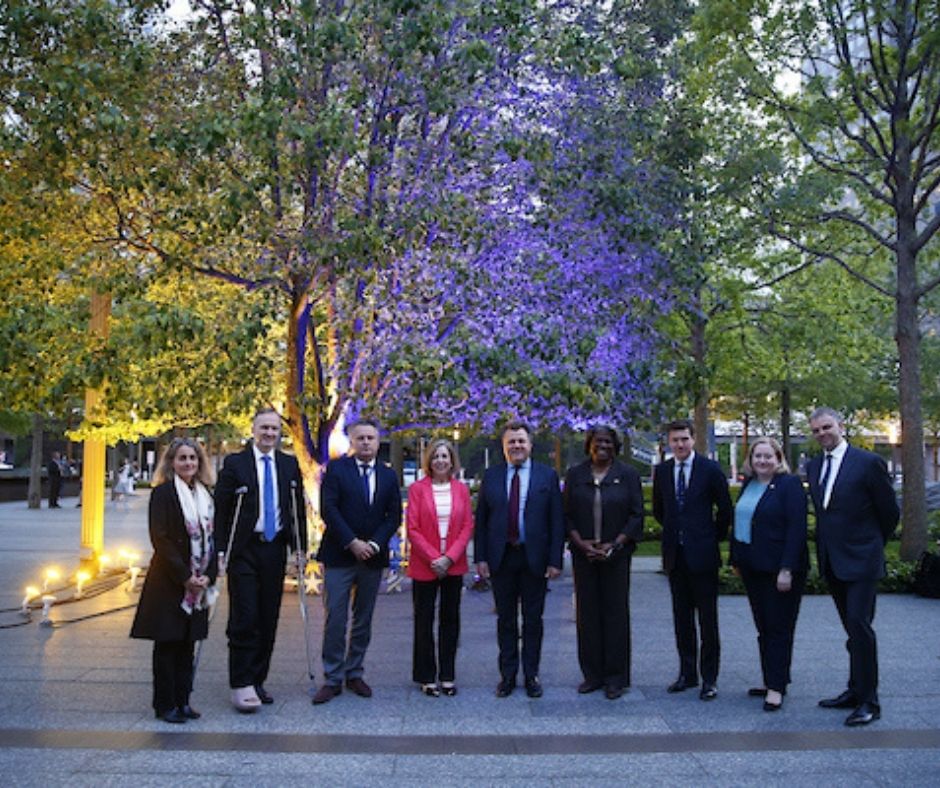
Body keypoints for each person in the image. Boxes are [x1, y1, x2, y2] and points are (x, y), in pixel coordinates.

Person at [807, 407, 899, 727]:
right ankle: (854, 689)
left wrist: (871, 544)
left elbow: (889, 513)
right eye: (816, 430)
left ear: (841, 426)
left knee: (860, 628)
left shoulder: (868, 463)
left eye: (827, 427)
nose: (822, 434)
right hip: (833, 560)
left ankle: (870, 702)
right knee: (851, 631)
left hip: (862, 560)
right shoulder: (814, 465)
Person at [214, 408, 307, 712]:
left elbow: (297, 510)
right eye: (264, 428)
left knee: (269, 616)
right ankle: (240, 682)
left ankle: (257, 679)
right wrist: (220, 549)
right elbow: (222, 510)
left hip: (274, 548)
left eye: (274, 429)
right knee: (245, 615)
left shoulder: (289, 464)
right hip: (244, 549)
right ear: (253, 430)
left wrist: (301, 548)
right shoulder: (235, 463)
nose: (269, 433)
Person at [313, 418, 403, 704]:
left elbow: (393, 516)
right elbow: (329, 509)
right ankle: (332, 677)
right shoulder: (337, 470)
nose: (366, 442)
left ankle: (355, 672)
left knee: (363, 619)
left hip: (372, 559)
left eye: (371, 438)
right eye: (360, 438)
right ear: (351, 440)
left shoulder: (388, 475)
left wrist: (374, 544)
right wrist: (352, 542)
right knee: (336, 617)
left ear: (378, 442)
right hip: (340, 554)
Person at [130, 438, 217, 724]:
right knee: (167, 645)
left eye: (193, 458)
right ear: (171, 463)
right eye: (182, 458)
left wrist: (208, 575)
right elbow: (160, 538)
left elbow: (212, 539)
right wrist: (185, 577)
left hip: (198, 583)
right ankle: (164, 704)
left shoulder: (206, 494)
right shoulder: (163, 494)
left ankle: (183, 700)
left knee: (187, 646)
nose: (188, 463)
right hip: (170, 581)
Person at [475, 420, 564, 698]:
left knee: (533, 620)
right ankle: (508, 675)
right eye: (511, 442)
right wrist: (480, 558)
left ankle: (532, 675)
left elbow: (556, 521)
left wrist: (555, 560)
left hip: (534, 559)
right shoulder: (491, 476)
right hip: (502, 559)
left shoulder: (546, 476)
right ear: (503, 446)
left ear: (530, 445)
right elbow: (482, 522)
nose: (516, 446)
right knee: (506, 621)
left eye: (521, 441)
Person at [652, 418, 732, 700]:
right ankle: (687, 674)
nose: (680, 445)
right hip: (676, 557)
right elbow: (661, 511)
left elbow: (724, 510)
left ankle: (709, 678)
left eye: (684, 439)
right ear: (668, 443)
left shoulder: (710, 469)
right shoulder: (662, 471)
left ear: (693, 439)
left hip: (703, 557)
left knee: (708, 621)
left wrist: (710, 537)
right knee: (681, 619)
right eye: (675, 440)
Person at [563, 425, 644, 700]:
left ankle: (616, 677)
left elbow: (636, 515)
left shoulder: (628, 475)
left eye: (608, 442)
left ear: (615, 446)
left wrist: (616, 544)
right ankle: (592, 675)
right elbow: (566, 515)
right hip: (583, 555)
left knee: (615, 614)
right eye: (598, 441)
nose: (603, 446)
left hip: (616, 556)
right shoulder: (576, 475)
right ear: (589, 444)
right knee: (587, 615)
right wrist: (580, 543)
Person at [729, 437, 808, 712]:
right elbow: (739, 522)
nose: (762, 461)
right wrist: (735, 559)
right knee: (764, 628)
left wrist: (787, 569)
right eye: (757, 456)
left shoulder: (790, 485)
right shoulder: (749, 484)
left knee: (779, 629)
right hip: (753, 568)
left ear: (778, 459)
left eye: (768, 456)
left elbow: (796, 530)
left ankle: (777, 688)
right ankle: (770, 679)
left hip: (780, 571)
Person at [406, 439, 474, 697]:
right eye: (436, 456)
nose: (441, 461)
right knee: (423, 621)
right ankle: (426, 676)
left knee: (450, 620)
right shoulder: (417, 489)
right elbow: (412, 528)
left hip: (453, 566)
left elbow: (467, 526)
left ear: (452, 460)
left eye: (445, 456)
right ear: (429, 461)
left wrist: (450, 557)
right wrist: (435, 557)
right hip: (425, 565)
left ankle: (447, 675)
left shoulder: (461, 490)